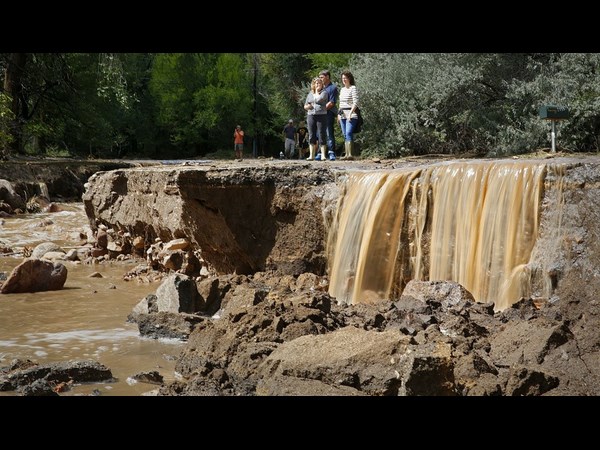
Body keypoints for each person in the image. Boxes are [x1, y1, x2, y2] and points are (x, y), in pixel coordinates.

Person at [304, 77, 329, 161]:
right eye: (316, 83)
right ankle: (311, 155)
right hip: (311, 115)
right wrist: (308, 106)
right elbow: (305, 105)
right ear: (313, 85)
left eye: (319, 83)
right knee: (311, 134)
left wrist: (312, 101)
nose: (318, 85)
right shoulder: (310, 94)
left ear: (322, 84)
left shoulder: (324, 93)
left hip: (321, 115)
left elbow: (320, 100)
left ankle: (323, 155)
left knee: (322, 134)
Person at [338, 70, 359, 160]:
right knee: (344, 134)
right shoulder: (342, 89)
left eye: (345, 78)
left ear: (349, 78)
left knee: (348, 132)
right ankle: (347, 154)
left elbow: (356, 102)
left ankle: (350, 154)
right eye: (343, 78)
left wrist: (350, 114)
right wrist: (338, 115)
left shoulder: (353, 88)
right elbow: (340, 103)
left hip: (351, 114)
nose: (344, 80)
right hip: (342, 114)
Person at [319, 69, 338, 161]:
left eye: (322, 77)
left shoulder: (333, 88)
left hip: (328, 114)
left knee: (329, 133)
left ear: (327, 77)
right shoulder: (320, 88)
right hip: (319, 115)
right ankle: (321, 153)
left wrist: (321, 109)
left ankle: (331, 152)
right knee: (320, 134)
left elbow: (332, 102)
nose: (320, 79)